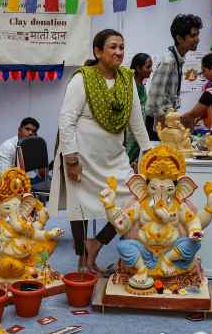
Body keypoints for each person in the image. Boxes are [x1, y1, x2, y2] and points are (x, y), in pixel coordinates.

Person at [49, 29, 151, 274]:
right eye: (113, 47)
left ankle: (96, 243)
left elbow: (137, 120)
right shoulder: (82, 78)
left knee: (134, 200)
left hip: (115, 157)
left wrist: (149, 152)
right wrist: (71, 159)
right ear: (98, 51)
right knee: (80, 207)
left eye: (121, 47)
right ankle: (83, 260)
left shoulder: (127, 79)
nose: (119, 52)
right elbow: (66, 120)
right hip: (81, 157)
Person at [145, 14, 203, 139]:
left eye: (198, 34)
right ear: (179, 38)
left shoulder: (178, 59)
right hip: (158, 125)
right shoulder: (168, 61)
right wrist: (165, 129)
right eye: (193, 35)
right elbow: (154, 102)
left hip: (167, 122)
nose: (197, 39)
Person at [125, 53, 152, 166]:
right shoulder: (132, 86)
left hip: (140, 130)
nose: (151, 70)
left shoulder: (141, 86)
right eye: (148, 67)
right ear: (138, 68)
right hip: (131, 132)